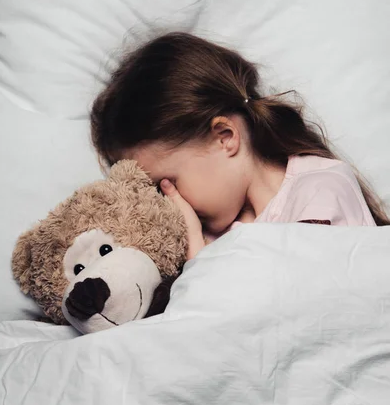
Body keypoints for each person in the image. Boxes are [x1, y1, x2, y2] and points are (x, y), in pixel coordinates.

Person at [91, 32, 389, 260]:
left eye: (167, 185)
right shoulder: (207, 233)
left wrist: (198, 260)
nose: (171, 204)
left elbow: (302, 307)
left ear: (225, 137)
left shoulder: (320, 193)